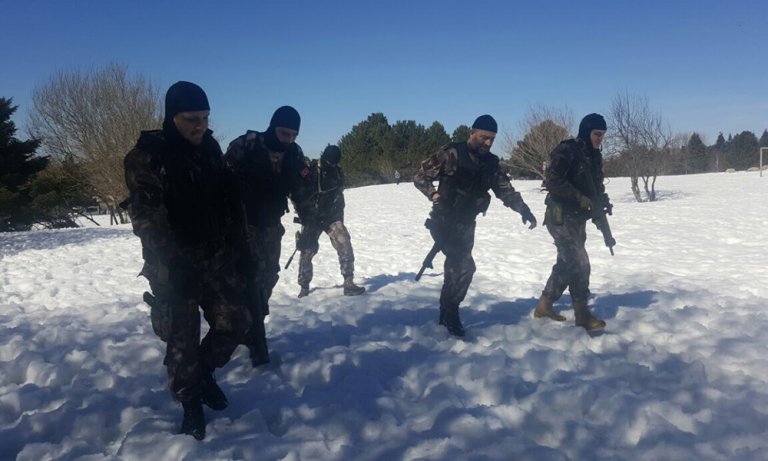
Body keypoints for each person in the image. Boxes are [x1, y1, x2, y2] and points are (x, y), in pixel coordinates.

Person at [123, 81, 251, 440]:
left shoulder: (209, 148)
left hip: (214, 255)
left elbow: (227, 200)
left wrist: (241, 246)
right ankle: (190, 402)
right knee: (183, 342)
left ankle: (205, 372)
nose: (201, 126)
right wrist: (173, 266)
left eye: (206, 118)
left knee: (238, 320)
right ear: (171, 117)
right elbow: (146, 219)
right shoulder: (147, 156)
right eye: (191, 118)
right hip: (172, 264)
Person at [413, 114, 537, 337]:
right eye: (483, 137)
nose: (488, 143)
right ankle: (450, 313)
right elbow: (420, 177)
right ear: (471, 133)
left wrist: (524, 210)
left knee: (456, 269)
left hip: (467, 222)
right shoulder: (451, 153)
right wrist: (434, 195)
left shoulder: (491, 163)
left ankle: (446, 311)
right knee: (463, 267)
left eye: (492, 139)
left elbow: (505, 190)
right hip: (443, 220)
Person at [224, 106, 313, 366]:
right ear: (273, 126)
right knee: (242, 280)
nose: (289, 140)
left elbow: (302, 191)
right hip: (240, 227)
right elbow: (220, 186)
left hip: (271, 227)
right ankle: (242, 327)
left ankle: (254, 323)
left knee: (268, 276)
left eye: (294, 135)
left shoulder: (294, 154)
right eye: (284, 133)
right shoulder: (245, 146)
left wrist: (309, 222)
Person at [533, 113, 610, 331]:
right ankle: (582, 313)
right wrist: (579, 197)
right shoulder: (566, 150)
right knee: (579, 262)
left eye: (603, 135)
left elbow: (595, 186)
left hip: (578, 218)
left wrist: (600, 205)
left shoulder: (595, 156)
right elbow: (553, 181)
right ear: (586, 132)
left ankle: (545, 304)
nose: (600, 139)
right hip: (560, 216)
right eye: (596, 134)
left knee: (566, 263)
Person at [293, 145, 365, 298]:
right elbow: (298, 195)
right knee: (306, 250)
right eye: (330, 162)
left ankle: (348, 282)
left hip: (330, 217)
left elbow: (339, 197)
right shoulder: (311, 171)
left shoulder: (337, 173)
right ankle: (304, 286)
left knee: (344, 241)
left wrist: (337, 218)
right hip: (312, 217)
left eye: (335, 162)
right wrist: (306, 215)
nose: (332, 165)